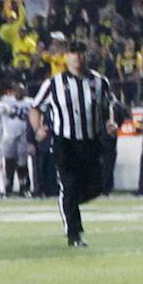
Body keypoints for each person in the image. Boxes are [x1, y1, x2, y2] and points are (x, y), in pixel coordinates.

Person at [28, 40, 120, 246]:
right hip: (64, 142)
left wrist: (110, 122)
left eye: (80, 53)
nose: (77, 57)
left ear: (86, 55)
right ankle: (74, 233)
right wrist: (38, 129)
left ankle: (67, 202)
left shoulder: (99, 81)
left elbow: (109, 105)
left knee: (98, 186)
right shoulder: (54, 83)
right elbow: (35, 108)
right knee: (69, 186)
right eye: (73, 53)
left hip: (90, 141)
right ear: (66, 57)